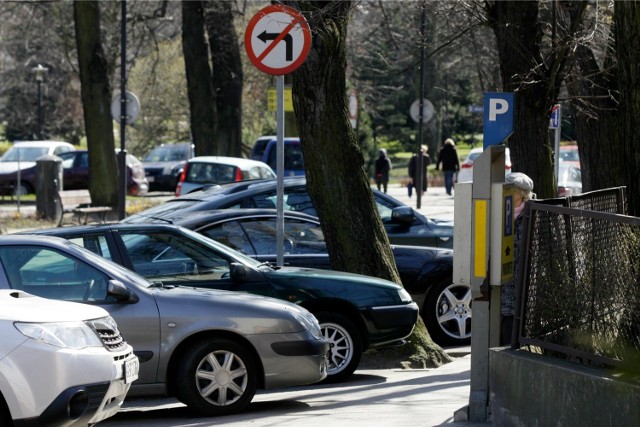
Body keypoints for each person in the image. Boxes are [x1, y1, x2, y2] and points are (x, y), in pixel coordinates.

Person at [500, 172, 534, 346]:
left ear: (521, 193)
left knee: (520, 311)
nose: (505, 192)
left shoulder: (532, 212)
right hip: (503, 271)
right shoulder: (499, 210)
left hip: (524, 271)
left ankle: (516, 346)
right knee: (506, 311)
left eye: (510, 190)